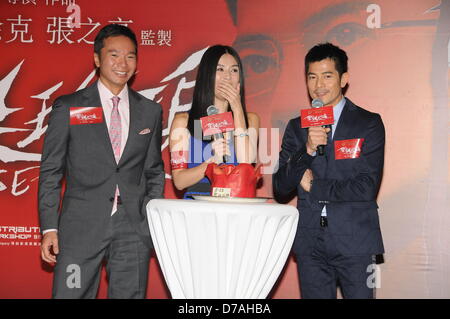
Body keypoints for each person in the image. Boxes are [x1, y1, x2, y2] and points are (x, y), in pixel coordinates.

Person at [38, 24, 165, 298]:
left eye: (130, 56)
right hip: (79, 227)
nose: (123, 63)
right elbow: (51, 170)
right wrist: (49, 227)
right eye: (114, 55)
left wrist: (148, 220)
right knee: (71, 294)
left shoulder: (150, 112)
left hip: (133, 229)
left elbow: (154, 170)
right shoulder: (70, 106)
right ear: (97, 59)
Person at [273, 42, 385, 299]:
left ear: (344, 79)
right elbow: (280, 186)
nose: (318, 84)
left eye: (327, 75)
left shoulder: (368, 123)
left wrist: (315, 187)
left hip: (355, 240)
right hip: (310, 241)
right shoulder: (297, 127)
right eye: (312, 77)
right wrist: (307, 150)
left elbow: (365, 187)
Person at [169, 45, 259, 197]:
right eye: (220, 69)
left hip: (236, 208)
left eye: (234, 70)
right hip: (198, 207)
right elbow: (179, 181)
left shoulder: (250, 120)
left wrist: (237, 109)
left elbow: (246, 161)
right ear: (207, 74)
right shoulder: (183, 122)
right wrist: (209, 164)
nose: (228, 77)